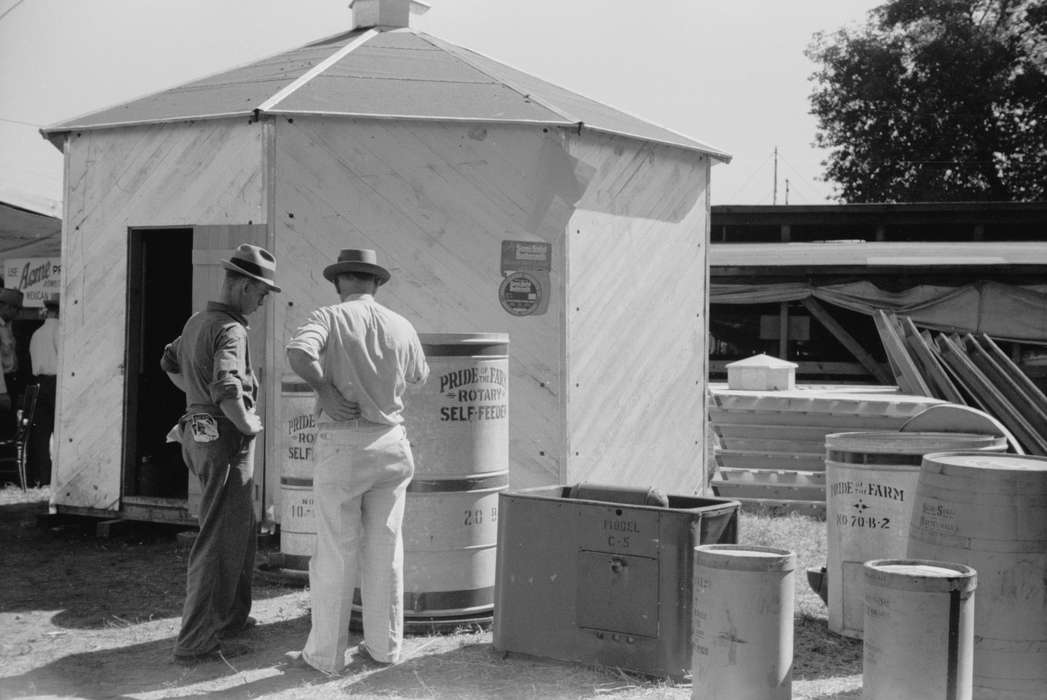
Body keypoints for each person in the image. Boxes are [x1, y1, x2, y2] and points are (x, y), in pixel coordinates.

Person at [286, 248, 428, 675]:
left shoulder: (327, 317)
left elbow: (298, 352)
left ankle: (325, 656)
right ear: (377, 284)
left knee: (335, 552)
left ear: (338, 282)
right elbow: (419, 375)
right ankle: (385, 648)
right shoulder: (401, 325)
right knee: (386, 551)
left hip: (343, 443)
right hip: (392, 442)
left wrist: (326, 389)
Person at [160, 244, 281, 664]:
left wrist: (196, 404)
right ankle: (195, 641)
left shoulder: (199, 321)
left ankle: (230, 618)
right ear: (245, 286)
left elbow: (170, 362)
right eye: (261, 294)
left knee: (239, 529)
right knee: (217, 537)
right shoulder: (232, 329)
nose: (262, 303)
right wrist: (246, 421)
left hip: (197, 435)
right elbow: (228, 387)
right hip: (225, 443)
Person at [28, 294, 60, 485]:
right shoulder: (61, 331)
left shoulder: (36, 334)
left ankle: (44, 475)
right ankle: (57, 476)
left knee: (42, 432)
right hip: (56, 382)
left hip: (39, 383)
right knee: (61, 431)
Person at [0, 287, 24, 424]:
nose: (18, 313)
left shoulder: (7, 326)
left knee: (11, 425)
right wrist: (2, 392)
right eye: (17, 309)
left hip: (12, 381)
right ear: (8, 307)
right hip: (4, 383)